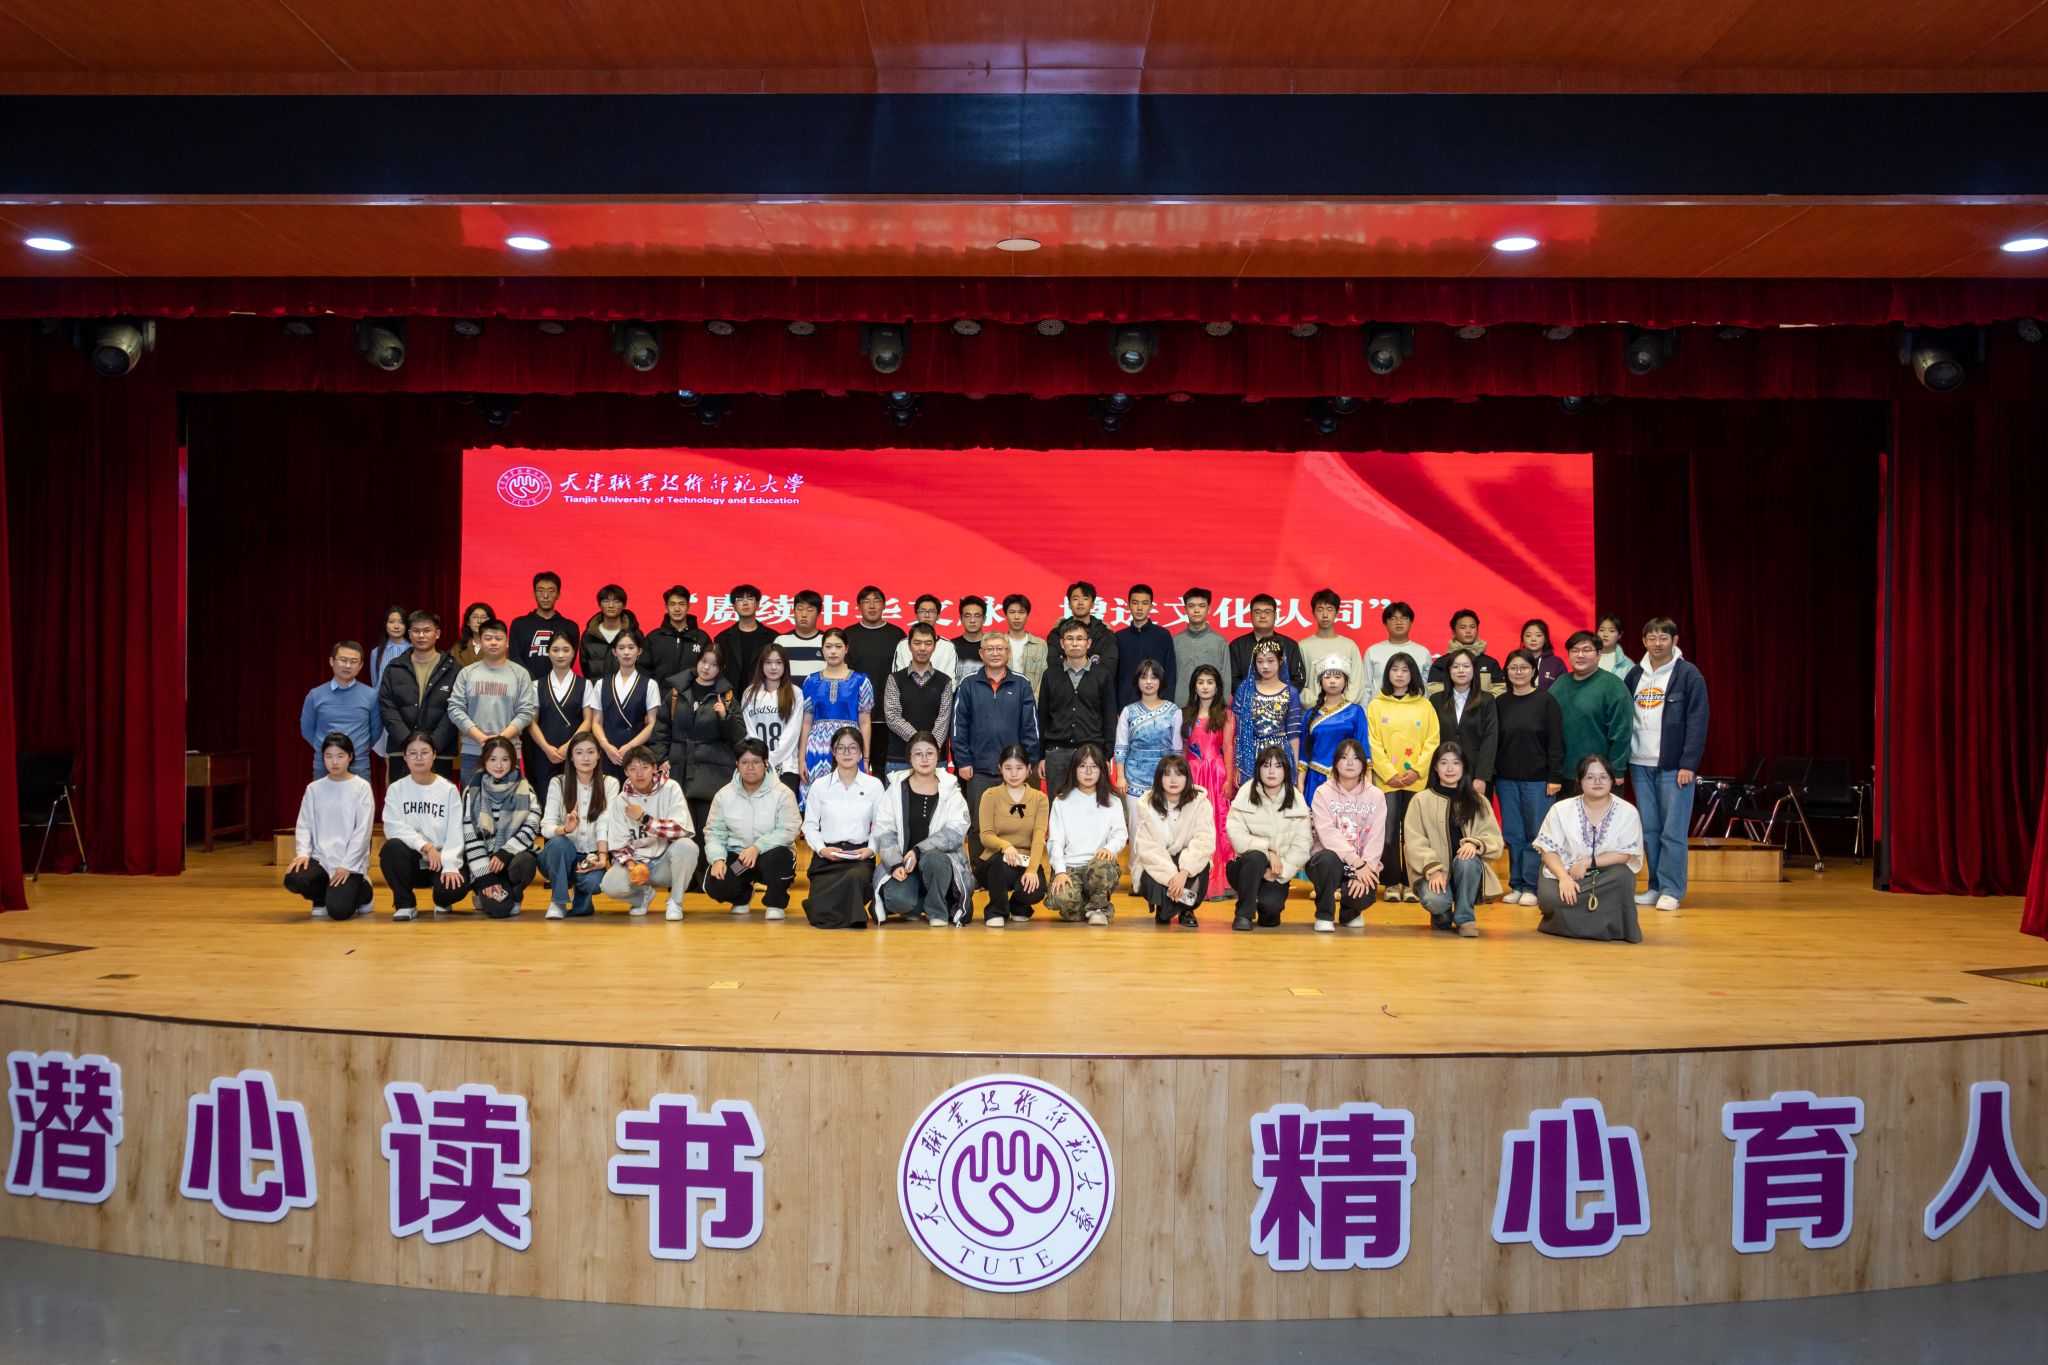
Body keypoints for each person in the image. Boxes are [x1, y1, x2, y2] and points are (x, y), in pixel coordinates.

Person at [1624, 618, 1710, 913]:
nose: (1657, 643)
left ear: (1674, 641)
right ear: (1644, 641)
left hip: (1674, 767)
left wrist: (1689, 763)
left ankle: (1672, 889)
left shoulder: (1688, 674)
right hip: (1639, 764)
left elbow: (1698, 722)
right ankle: (1655, 886)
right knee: (1650, 830)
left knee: (1672, 831)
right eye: (1652, 638)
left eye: (1663, 637)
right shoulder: (1635, 675)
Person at [1535, 753, 1646, 943]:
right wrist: (1563, 879)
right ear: (1579, 781)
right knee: (1550, 899)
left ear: (1612, 780)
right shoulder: (1561, 809)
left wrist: (1587, 862)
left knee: (1623, 878)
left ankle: (1566, 923)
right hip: (1567, 872)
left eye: (1603, 777)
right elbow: (1548, 849)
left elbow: (1625, 854)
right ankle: (1602, 924)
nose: (1597, 782)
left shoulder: (1627, 811)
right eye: (1590, 777)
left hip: (1605, 875)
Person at [653, 642, 742, 878]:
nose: (706, 668)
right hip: (678, 767)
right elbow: (661, 728)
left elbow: (738, 736)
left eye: (713, 664)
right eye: (703, 661)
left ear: (721, 669)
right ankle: (680, 877)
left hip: (711, 770)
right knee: (679, 823)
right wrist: (662, 758)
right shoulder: (676, 692)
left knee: (706, 827)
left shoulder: (727, 696)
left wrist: (725, 716)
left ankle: (705, 876)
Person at [871, 732, 974, 925]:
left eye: (930, 753)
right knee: (898, 900)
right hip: (905, 864)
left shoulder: (951, 789)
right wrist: (895, 864)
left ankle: (937, 911)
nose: (924, 759)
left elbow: (955, 833)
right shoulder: (895, 789)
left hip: (940, 865)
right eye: (918, 754)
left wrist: (919, 850)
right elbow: (884, 830)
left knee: (933, 858)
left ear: (938, 756)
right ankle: (922, 903)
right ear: (909, 758)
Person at [1403, 741, 1503, 938]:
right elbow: (1414, 842)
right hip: (1433, 873)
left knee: (1468, 861)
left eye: (1456, 763)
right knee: (1436, 902)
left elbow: (1494, 839)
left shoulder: (1479, 801)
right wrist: (1433, 869)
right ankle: (1442, 914)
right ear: (1435, 767)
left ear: (1464, 766)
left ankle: (1465, 917)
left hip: (1466, 871)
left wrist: (1475, 843)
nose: (1450, 769)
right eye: (1444, 763)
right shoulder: (1420, 800)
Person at [953, 636, 1041, 854]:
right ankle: (979, 868)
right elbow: (958, 727)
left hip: (1014, 769)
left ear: (1008, 652)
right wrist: (963, 761)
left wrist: (1029, 762)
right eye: (990, 649)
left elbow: (1031, 727)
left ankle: (1016, 867)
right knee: (979, 824)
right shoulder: (968, 684)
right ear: (981, 653)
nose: (995, 653)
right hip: (978, 769)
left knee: (1015, 823)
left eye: (1000, 648)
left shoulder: (1021, 684)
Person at [1494, 649, 1567, 906]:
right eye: (1513, 668)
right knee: (1513, 834)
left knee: (1535, 834)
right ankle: (1516, 884)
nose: (1518, 672)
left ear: (1534, 671)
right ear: (1506, 672)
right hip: (1506, 780)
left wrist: (1555, 776)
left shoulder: (1546, 701)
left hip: (1538, 780)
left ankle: (1532, 886)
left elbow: (1556, 741)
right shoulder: (1500, 703)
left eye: (1524, 667)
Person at [1365, 653, 1440, 902]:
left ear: (1413, 674)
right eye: (1394, 669)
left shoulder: (1425, 706)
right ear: (1387, 673)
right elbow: (1372, 742)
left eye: (1405, 670)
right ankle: (1390, 883)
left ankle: (1411, 882)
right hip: (1386, 780)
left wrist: (1417, 770)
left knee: (1413, 833)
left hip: (1416, 780)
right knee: (1387, 832)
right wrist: (1389, 774)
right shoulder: (1376, 706)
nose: (1399, 674)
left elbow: (1432, 741)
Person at [703, 738, 801, 919]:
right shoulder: (724, 795)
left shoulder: (783, 793)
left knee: (779, 860)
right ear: (737, 764)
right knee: (716, 883)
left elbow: (789, 830)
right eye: (744, 762)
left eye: (756, 762)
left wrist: (757, 847)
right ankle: (743, 896)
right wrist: (717, 859)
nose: (750, 767)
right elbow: (714, 832)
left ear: (765, 763)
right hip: (741, 861)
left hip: (769, 858)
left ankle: (775, 903)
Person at [284, 732, 375, 921]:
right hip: (321, 858)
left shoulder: (361, 787)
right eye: (329, 756)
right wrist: (302, 854)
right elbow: (304, 824)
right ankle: (320, 898)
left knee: (339, 911)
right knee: (293, 878)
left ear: (350, 757)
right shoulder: (314, 788)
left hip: (350, 860)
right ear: (323, 758)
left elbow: (363, 831)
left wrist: (347, 865)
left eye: (340, 756)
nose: (334, 762)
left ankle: (365, 891)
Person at [378, 730, 467, 922]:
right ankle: (405, 904)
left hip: (440, 860)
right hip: (412, 861)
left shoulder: (449, 789)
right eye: (413, 753)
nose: (419, 758)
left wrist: (450, 865)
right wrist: (425, 846)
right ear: (405, 758)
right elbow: (393, 827)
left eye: (424, 752)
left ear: (434, 755)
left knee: (451, 891)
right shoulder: (396, 789)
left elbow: (455, 831)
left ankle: (442, 899)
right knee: (391, 848)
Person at [799, 727, 884, 928]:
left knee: (855, 878)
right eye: (841, 748)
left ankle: (844, 913)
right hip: (827, 857)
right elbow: (809, 826)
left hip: (859, 856)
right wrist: (822, 849)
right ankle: (838, 911)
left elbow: (881, 825)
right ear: (833, 752)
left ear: (861, 752)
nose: (847, 753)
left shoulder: (874, 785)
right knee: (820, 909)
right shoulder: (819, 786)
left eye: (852, 748)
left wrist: (871, 850)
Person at [600, 745, 698, 920]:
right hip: (636, 861)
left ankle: (675, 902)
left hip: (664, 862)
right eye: (633, 769)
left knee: (688, 847)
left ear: (654, 768)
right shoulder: (621, 801)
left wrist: (645, 819)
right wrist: (633, 866)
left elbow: (681, 830)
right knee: (609, 885)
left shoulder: (671, 788)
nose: (639, 774)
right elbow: (618, 845)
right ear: (626, 772)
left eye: (644, 767)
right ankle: (642, 896)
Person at [1225, 745, 1312, 931]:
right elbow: (1236, 834)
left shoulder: (1296, 799)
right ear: (1259, 769)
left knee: (1270, 914)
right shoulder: (1246, 792)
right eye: (1266, 765)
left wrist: (1280, 870)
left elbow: (1302, 847)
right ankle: (1243, 914)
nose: (1271, 771)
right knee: (1256, 856)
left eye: (1278, 766)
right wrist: (1268, 851)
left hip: (1277, 872)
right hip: (1245, 867)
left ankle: (1260, 901)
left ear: (1286, 770)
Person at [458, 737, 541, 919]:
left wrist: (505, 852)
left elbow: (532, 825)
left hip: (511, 857)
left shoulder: (525, 788)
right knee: (499, 910)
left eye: (505, 759)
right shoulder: (472, 791)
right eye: (493, 759)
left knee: (526, 862)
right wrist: (486, 879)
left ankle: (515, 894)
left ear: (512, 761)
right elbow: (470, 837)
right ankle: (482, 891)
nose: (499, 765)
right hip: (484, 862)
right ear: (484, 761)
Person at [1307, 738, 1385, 932]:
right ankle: (1324, 915)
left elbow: (1376, 838)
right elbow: (1327, 833)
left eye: (1356, 758)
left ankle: (1350, 914)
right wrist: (1355, 862)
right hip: (1327, 861)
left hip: (1362, 864)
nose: (1350, 763)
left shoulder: (1376, 796)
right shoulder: (1322, 793)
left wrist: (1366, 867)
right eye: (1344, 758)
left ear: (1363, 764)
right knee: (1327, 860)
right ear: (1335, 763)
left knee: (1363, 893)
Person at [449, 619, 537, 789]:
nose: (493, 642)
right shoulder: (467, 673)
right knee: (472, 802)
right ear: (480, 641)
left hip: (509, 752)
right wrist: (480, 738)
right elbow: (455, 708)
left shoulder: (520, 674)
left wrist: (501, 739)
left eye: (498, 638)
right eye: (488, 638)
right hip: (473, 751)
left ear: (507, 642)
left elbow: (526, 712)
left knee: (510, 803)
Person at [1044, 745, 1126, 925]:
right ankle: (1086, 905)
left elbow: (1120, 834)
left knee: (1101, 869)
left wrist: (1109, 849)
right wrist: (1060, 871)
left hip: (1097, 865)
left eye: (1094, 766)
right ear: (1074, 769)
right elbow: (1055, 841)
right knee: (1062, 899)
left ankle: (1099, 909)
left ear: (1102, 770)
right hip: (1070, 866)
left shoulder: (1113, 801)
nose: (1088, 772)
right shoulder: (1061, 800)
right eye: (1082, 766)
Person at [537, 731, 614, 920]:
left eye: (590, 752)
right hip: (558, 857)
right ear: (571, 757)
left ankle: (582, 901)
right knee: (559, 843)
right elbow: (545, 826)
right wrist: (565, 829)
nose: (585, 758)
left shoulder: (610, 783)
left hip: (589, 856)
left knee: (594, 883)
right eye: (579, 753)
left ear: (599, 755)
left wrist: (602, 857)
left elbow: (604, 823)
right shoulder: (558, 783)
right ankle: (558, 902)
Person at [1130, 753, 1214, 927]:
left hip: (1186, 863)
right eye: (1167, 774)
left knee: (1201, 864)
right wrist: (1172, 877)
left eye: (1179, 774)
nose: (1173, 780)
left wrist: (1183, 873)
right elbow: (1148, 849)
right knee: (1147, 873)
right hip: (1159, 862)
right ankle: (1171, 905)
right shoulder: (1147, 805)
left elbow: (1204, 841)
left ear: (1187, 777)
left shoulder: (1200, 803)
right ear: (1159, 778)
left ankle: (1183, 910)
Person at [1038, 620, 1119, 795]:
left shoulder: (1102, 675)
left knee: (1092, 805)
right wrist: (1042, 756)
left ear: (1088, 643)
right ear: (1062, 643)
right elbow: (1042, 717)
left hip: (1092, 752)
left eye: (1080, 639)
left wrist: (1106, 756)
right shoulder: (1050, 675)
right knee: (1057, 805)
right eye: (1070, 638)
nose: (1075, 643)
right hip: (1057, 754)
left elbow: (1109, 717)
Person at [378, 611, 459, 780]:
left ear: (437, 634)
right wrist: (408, 743)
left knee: (438, 797)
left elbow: (455, 709)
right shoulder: (394, 667)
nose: (421, 635)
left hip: (440, 751)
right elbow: (387, 707)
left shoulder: (453, 669)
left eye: (426, 630)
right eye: (416, 631)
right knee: (401, 796)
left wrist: (432, 745)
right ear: (409, 634)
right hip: (402, 750)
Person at [1552, 630, 1633, 796]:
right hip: (1563, 776)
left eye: (1586, 650)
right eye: (1575, 650)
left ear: (1599, 654)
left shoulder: (1613, 685)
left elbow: (1622, 732)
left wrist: (1616, 769)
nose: (1580, 655)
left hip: (1600, 776)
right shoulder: (1559, 684)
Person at [976, 744, 1049, 927]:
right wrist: (1006, 846)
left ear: (1028, 769)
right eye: (1008, 768)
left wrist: (1032, 870)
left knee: (1035, 890)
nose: (1014, 774)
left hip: (1024, 861)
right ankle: (996, 911)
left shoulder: (1040, 798)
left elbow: (1038, 837)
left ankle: (1018, 906)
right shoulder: (990, 795)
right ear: (1000, 768)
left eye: (1019, 768)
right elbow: (985, 835)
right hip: (994, 862)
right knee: (999, 866)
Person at [1182, 663, 1237, 900]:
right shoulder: (1185, 714)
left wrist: (1229, 778)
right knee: (1193, 825)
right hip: (1192, 774)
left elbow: (1228, 747)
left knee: (1217, 823)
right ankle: (1194, 879)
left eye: (1210, 682)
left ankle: (1220, 881)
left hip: (1216, 774)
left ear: (1217, 686)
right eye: (1201, 682)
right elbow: (1183, 749)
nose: (1205, 687)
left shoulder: (1226, 714)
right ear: (1194, 686)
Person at [1112, 659, 1182, 828]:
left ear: (1161, 681)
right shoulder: (1128, 712)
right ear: (1137, 681)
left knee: (1165, 829)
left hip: (1165, 780)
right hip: (1134, 780)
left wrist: (1175, 778)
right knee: (1136, 829)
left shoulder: (1174, 711)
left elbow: (1177, 751)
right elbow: (1121, 747)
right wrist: (1120, 777)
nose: (1149, 682)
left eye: (1154, 677)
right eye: (1144, 677)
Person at [800, 629, 875, 786]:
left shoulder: (860, 681)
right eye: (828, 646)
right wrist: (801, 759)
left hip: (850, 747)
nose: (833, 651)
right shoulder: (811, 681)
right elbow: (806, 722)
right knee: (817, 795)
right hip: (817, 749)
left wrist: (866, 757)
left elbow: (864, 722)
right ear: (822, 650)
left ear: (846, 649)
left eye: (838, 646)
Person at [585, 627, 660, 780]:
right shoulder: (601, 684)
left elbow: (652, 724)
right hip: (608, 753)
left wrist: (630, 747)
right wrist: (605, 745)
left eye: (631, 647)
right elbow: (596, 722)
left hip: (637, 753)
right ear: (614, 652)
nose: (626, 652)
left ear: (639, 651)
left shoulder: (650, 684)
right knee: (607, 792)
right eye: (621, 648)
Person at [300, 640, 379, 780]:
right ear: (331, 661)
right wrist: (329, 750)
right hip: (324, 766)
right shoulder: (315, 695)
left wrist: (356, 750)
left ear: (360, 666)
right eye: (343, 660)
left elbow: (375, 731)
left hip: (358, 765)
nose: (348, 665)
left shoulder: (371, 695)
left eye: (353, 661)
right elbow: (307, 729)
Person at [884, 623, 956, 775]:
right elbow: (892, 716)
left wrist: (929, 748)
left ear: (934, 647)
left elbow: (943, 719)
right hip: (900, 759)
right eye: (917, 643)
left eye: (928, 643)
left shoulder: (945, 681)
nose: (922, 648)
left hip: (935, 758)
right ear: (909, 646)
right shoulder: (895, 679)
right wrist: (920, 743)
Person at [522, 632, 587, 799]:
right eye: (555, 650)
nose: (560, 655)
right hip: (544, 752)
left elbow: (588, 721)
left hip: (575, 751)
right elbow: (531, 721)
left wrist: (569, 746)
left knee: (575, 798)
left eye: (566, 650)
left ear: (573, 652)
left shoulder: (584, 684)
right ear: (548, 652)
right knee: (545, 797)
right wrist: (546, 748)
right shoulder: (537, 685)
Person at [739, 644, 808, 801]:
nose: (773, 667)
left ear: (785, 665)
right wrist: (761, 757)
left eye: (778, 662)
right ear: (761, 665)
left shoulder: (795, 693)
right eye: (768, 662)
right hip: (757, 765)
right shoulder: (750, 693)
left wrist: (772, 759)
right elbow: (749, 730)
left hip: (787, 766)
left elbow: (792, 732)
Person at [1232, 639, 1305, 784]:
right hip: (1250, 756)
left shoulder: (1291, 693)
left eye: (1270, 661)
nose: (1265, 666)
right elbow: (1236, 731)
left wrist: (1294, 769)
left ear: (1281, 661)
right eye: (1260, 661)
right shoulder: (1245, 691)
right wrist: (1237, 766)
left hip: (1281, 756)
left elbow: (1293, 734)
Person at [1301, 656, 1370, 806]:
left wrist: (1367, 783)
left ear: (1345, 681)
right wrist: (1300, 784)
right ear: (1320, 681)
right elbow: (1304, 754)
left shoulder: (1356, 712)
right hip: (1315, 778)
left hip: (1347, 778)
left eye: (1338, 677)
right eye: (1327, 677)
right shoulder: (1310, 714)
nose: (1332, 681)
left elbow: (1364, 749)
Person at [1429, 649, 1499, 796]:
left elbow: (1490, 739)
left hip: (1475, 773)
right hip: (1444, 773)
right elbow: (1432, 738)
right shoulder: (1436, 700)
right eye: (1455, 666)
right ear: (1448, 671)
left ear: (1474, 670)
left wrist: (1481, 777)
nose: (1461, 670)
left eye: (1466, 666)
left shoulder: (1487, 700)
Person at [1113, 584, 1176, 711]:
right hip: (1126, 707)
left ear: (1151, 606)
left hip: (1157, 707)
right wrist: (1116, 710)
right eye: (1135, 603)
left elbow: (1170, 674)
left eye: (1145, 603)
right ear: (1128, 605)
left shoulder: (1163, 635)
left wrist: (1167, 707)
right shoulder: (1119, 637)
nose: (1139, 608)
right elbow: (1114, 678)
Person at [845, 585, 907, 710]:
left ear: (884, 605)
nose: (872, 606)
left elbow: (904, 672)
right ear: (858, 606)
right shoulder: (848, 634)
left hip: (891, 706)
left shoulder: (897, 634)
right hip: (856, 706)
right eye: (866, 601)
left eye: (877, 601)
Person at [1229, 594, 1306, 692]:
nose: (1262, 616)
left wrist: (1277, 696)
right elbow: (1232, 681)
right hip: (1247, 700)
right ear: (1251, 615)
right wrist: (1257, 696)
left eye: (1267, 612)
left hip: (1283, 700)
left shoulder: (1290, 645)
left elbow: (1298, 679)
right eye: (1257, 612)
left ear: (1275, 615)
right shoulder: (1237, 646)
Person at [1298, 589, 1364, 705]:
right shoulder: (1303, 646)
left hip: (1345, 712)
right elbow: (1299, 683)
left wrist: (1341, 705)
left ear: (1337, 613)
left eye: (1329, 609)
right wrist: (1317, 703)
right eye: (1320, 610)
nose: (1325, 615)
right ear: (1313, 613)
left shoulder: (1350, 646)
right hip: (1313, 711)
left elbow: (1356, 682)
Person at [1172, 587, 1233, 709]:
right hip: (1180, 707)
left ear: (1209, 609)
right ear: (1185, 609)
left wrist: (1222, 709)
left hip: (1212, 709)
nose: (1196, 610)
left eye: (1201, 606)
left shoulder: (1219, 642)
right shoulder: (1175, 641)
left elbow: (1225, 679)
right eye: (1191, 606)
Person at [1361, 601, 1434, 701]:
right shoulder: (1372, 651)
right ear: (1385, 623)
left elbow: (1427, 687)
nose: (1398, 622)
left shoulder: (1423, 652)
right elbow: (1366, 687)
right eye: (1393, 618)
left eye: (1404, 618)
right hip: (1379, 708)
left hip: (1415, 707)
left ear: (1411, 622)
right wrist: (1365, 709)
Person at [1045, 581, 1118, 680]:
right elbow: (1052, 664)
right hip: (1063, 687)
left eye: (1085, 598)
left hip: (1096, 687)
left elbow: (1109, 669)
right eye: (1075, 599)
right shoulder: (1057, 633)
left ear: (1092, 604)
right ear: (1069, 604)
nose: (1080, 603)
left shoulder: (1105, 635)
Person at [645, 583, 713, 689]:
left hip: (693, 697)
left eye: (681, 604)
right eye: (672, 604)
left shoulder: (702, 638)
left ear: (688, 607)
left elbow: (710, 671)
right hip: (659, 697)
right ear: (666, 607)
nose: (677, 609)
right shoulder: (653, 638)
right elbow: (643, 671)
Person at [508, 572, 569, 682]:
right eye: (541, 591)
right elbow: (515, 658)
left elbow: (568, 659)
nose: (545, 596)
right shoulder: (519, 624)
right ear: (534, 593)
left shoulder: (569, 627)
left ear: (558, 594)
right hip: (525, 685)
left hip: (557, 686)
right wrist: (531, 682)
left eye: (551, 591)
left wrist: (550, 684)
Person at [1429, 610, 1505, 697]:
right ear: (1453, 632)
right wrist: (1458, 702)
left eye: (1472, 627)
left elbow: (1500, 689)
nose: (1468, 631)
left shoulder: (1490, 663)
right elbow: (1435, 691)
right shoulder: (1442, 663)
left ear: (1478, 630)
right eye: (1463, 627)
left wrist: (1482, 703)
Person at [716, 583, 773, 690]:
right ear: (733, 606)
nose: (745, 603)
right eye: (740, 600)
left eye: (750, 599)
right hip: (730, 695)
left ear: (758, 604)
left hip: (763, 693)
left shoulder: (773, 637)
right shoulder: (722, 638)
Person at [580, 584, 640, 681]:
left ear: (624, 605)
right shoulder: (589, 635)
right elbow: (585, 667)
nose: (611, 605)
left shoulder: (635, 634)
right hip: (596, 688)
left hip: (628, 688)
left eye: (616, 601)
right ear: (599, 605)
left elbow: (641, 665)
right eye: (605, 601)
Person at [891, 595, 959, 677]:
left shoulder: (948, 647)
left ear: (938, 616)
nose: (927, 615)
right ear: (916, 615)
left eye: (932, 611)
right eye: (922, 611)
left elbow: (951, 681)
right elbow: (897, 678)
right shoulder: (903, 645)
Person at [999, 594, 1050, 692]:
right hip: (1002, 698)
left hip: (1032, 698)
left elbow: (1044, 676)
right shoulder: (998, 644)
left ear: (1027, 614)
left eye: (1021, 612)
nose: (1017, 617)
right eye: (1012, 612)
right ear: (1005, 614)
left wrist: (1033, 699)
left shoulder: (1040, 644)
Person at [773, 589, 828, 679]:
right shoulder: (781, 641)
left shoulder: (827, 641)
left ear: (818, 614)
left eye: (810, 610)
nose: (804, 614)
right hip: (787, 688)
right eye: (800, 609)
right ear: (793, 612)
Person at [1518, 619, 1567, 691]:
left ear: (1545, 639)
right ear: (1522, 639)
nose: (1533, 639)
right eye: (1528, 635)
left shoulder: (1556, 663)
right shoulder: (1515, 661)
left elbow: (1564, 689)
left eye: (1538, 635)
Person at [451, 602, 494, 668]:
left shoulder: (500, 646)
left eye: (483, 617)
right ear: (468, 622)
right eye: (475, 617)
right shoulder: (458, 647)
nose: (479, 621)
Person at [950, 596, 989, 666]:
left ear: (984, 619)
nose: (972, 620)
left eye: (977, 616)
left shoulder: (993, 645)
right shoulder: (951, 646)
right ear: (961, 619)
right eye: (967, 616)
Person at [1595, 614, 1635, 679]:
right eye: (1602, 630)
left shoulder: (1627, 665)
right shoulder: (1587, 658)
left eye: (1612, 631)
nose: (1605, 634)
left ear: (1620, 635)